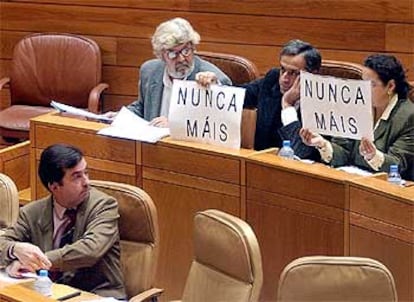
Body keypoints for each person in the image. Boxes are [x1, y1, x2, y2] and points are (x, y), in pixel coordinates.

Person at [0, 144, 126, 299]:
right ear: (54, 186)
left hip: (96, 295)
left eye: (86, 173)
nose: (87, 182)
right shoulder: (32, 213)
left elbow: (90, 250)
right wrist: (15, 249)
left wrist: (35, 261)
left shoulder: (104, 206)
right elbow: (3, 241)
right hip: (50, 293)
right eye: (77, 176)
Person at [197, 39, 322, 158]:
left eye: (294, 73)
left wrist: (287, 105)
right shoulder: (272, 80)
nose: (284, 78)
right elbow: (238, 96)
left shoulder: (320, 103)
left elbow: (301, 152)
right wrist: (214, 86)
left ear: (312, 75)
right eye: (283, 69)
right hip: (261, 163)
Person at [300, 54, 414, 180]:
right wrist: (322, 144)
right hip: (352, 179)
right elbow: (343, 152)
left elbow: (398, 165)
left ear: (390, 86)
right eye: (362, 82)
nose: (363, 90)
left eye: (372, 84)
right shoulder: (355, 105)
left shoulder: (408, 117)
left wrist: (373, 156)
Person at [106, 17, 232, 127]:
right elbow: (143, 107)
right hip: (153, 146)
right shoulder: (150, 71)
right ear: (161, 54)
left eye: (186, 50)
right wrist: (123, 116)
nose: (182, 58)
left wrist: (175, 125)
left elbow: (218, 123)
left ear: (193, 47)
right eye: (173, 53)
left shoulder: (212, 78)